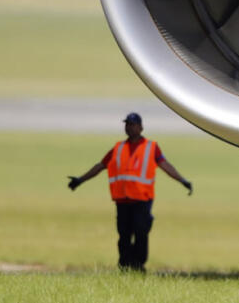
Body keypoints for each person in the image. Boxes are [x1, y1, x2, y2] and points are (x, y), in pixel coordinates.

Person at [66, 112, 193, 271]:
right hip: (123, 200)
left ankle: (138, 264)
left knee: (141, 232)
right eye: (127, 124)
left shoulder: (151, 147)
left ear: (141, 127)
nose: (129, 128)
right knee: (124, 235)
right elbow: (100, 166)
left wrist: (182, 180)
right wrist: (80, 180)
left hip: (142, 199)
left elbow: (165, 165)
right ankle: (125, 265)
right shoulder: (118, 148)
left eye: (133, 125)